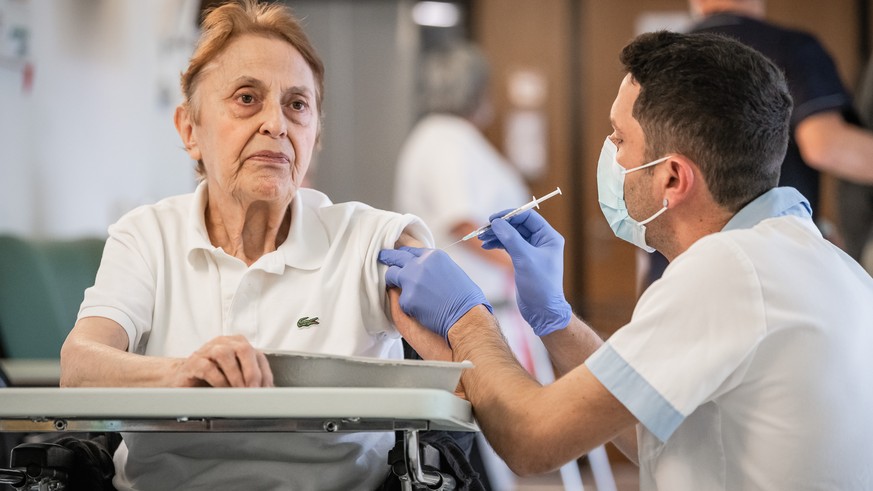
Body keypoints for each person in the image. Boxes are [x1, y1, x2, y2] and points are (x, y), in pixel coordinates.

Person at [379, 30, 873, 490]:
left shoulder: (727, 273)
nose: (610, 156)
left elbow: (531, 439)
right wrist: (556, 320)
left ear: (673, 179)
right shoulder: (821, 262)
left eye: (619, 139)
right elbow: (650, 428)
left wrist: (465, 318)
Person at [58, 1, 434, 489]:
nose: (276, 124)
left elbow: (464, 361)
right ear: (190, 130)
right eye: (246, 98)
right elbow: (80, 364)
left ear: (315, 134)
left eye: (297, 105)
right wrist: (182, 374)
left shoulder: (369, 240)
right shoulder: (147, 237)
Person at [640, 0, 873, 291]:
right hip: (765, 272)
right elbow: (825, 145)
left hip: (671, 274)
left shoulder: (661, 59)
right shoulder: (790, 48)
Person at [393, 42, 534, 489]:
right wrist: (520, 261)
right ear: (476, 91)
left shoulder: (439, 137)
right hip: (464, 316)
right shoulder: (446, 140)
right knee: (481, 442)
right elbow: (462, 222)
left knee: (480, 442)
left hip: (474, 309)